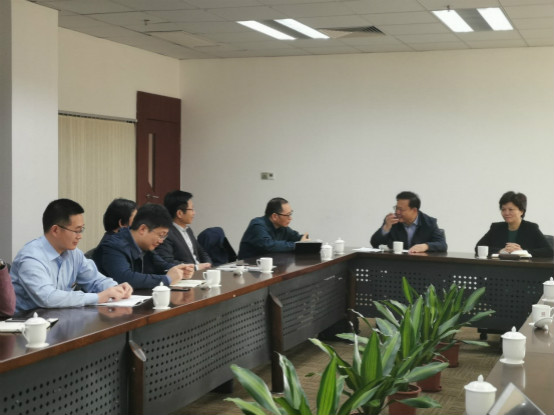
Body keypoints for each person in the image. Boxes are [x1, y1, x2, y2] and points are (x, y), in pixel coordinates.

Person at [10, 199, 133, 314]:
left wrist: (116, 288)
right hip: (26, 322)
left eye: (81, 230)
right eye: (76, 230)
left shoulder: (73, 253)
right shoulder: (31, 258)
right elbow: (48, 298)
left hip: (59, 317)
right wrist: (98, 297)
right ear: (55, 230)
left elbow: (95, 280)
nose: (80, 236)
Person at [94, 203, 194, 289]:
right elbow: (125, 278)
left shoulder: (145, 245)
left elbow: (162, 265)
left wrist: (180, 270)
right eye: (161, 235)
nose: (161, 241)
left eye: (164, 236)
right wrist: (166, 279)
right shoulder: (114, 245)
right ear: (143, 229)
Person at [475, 191, 553, 258]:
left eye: (511, 209)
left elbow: (549, 251)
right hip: (499, 268)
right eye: (503, 209)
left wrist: (523, 252)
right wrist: (500, 251)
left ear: (521, 211)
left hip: (524, 268)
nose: (506, 213)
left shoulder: (531, 228)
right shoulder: (496, 228)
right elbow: (478, 248)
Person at [370, 191, 447, 253]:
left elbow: (442, 244)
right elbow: (374, 243)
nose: (397, 212)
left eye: (401, 210)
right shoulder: (391, 221)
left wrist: (426, 246)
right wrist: (386, 228)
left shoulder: (429, 223)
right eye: (396, 208)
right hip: (395, 263)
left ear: (414, 210)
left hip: (420, 263)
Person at [156, 190, 211, 271]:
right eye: (191, 209)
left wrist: (208, 264)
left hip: (200, 272)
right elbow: (167, 261)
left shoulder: (188, 230)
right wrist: (195, 267)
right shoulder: (166, 233)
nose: (194, 213)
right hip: (186, 275)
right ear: (180, 213)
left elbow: (201, 251)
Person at [238, 197, 309, 259]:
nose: (290, 218)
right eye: (287, 215)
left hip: (271, 266)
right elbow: (268, 245)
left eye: (290, 214)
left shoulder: (282, 227)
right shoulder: (257, 225)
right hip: (248, 267)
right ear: (274, 216)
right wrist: (297, 245)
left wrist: (304, 240)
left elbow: (296, 238)